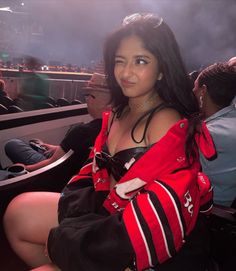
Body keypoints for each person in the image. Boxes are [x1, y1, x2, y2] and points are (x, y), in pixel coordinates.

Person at [3, 13, 215, 271]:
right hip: (107, 209)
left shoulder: (165, 123)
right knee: (17, 214)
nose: (126, 72)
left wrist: (67, 247)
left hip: (143, 238)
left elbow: (149, 223)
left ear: (162, 69)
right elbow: (97, 176)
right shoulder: (119, 111)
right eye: (119, 61)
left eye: (140, 61)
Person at [0, 72, 111, 180]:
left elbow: (52, 163)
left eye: (90, 96)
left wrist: (26, 168)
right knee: (25, 144)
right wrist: (52, 147)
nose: (87, 99)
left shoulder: (81, 131)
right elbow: (76, 151)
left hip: (54, 171)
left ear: (106, 103)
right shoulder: (113, 129)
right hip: (68, 167)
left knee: (12, 144)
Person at [193, 62, 236, 207]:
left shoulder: (210, 133)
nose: (193, 91)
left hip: (212, 213)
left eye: (195, 86)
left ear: (203, 91)